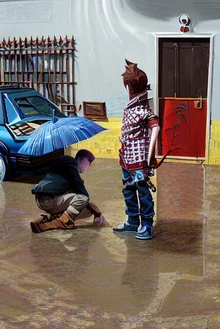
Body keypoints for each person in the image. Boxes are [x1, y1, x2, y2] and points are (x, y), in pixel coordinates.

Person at [113, 60, 160, 240]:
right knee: (128, 190)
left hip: (139, 163)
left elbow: (155, 127)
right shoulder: (131, 108)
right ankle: (133, 221)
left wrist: (149, 157)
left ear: (129, 88)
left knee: (143, 190)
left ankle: (147, 224)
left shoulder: (142, 109)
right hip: (126, 159)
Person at [30, 149, 105, 233]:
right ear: (82, 159)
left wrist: (95, 211)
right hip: (50, 199)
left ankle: (47, 220)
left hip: (42, 199)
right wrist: (97, 212)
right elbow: (81, 191)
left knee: (87, 210)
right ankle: (62, 222)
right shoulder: (71, 162)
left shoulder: (64, 167)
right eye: (89, 162)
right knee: (83, 199)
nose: (89, 167)